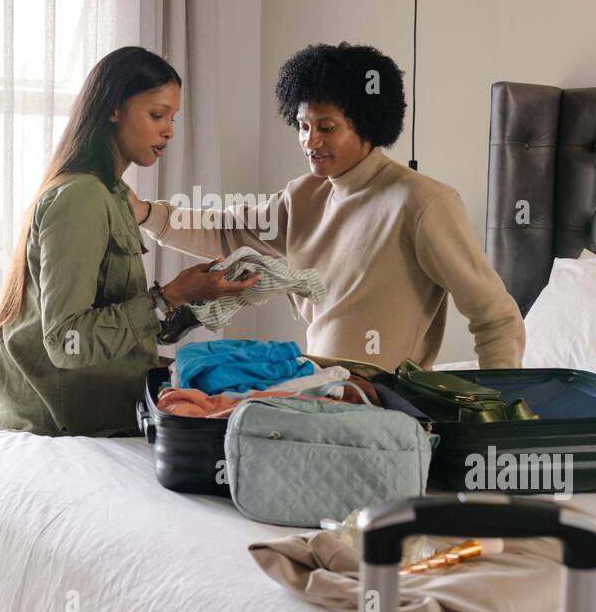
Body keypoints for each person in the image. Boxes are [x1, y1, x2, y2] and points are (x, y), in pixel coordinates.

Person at [127, 41, 524, 371]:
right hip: (316, 387)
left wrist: (498, 419)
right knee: (195, 376)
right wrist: (145, 213)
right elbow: (223, 232)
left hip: (385, 405)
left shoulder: (423, 202)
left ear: (367, 124)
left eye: (327, 128)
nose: (310, 141)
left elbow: (496, 318)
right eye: (303, 126)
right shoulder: (304, 195)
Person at [0, 46, 260, 436]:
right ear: (113, 109)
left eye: (173, 118)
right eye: (157, 115)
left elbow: (119, 325)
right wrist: (169, 296)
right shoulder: (82, 197)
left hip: (91, 408)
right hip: (54, 423)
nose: (169, 131)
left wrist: (200, 298)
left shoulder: (114, 195)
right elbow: (68, 340)